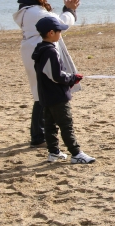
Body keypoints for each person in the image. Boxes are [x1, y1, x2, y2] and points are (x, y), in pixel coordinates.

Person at [13, 0, 80, 148]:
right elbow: (60, 23)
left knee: (40, 91)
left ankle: (38, 133)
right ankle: (38, 135)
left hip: (31, 50)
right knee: (44, 92)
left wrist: (68, 10)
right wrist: (70, 10)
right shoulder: (36, 12)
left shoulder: (25, 12)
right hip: (41, 51)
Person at [32, 16, 95, 164]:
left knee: (50, 125)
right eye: (59, 31)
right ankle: (76, 154)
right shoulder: (50, 52)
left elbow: (48, 74)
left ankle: (54, 152)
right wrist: (73, 78)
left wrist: (70, 78)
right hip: (57, 97)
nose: (61, 34)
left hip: (46, 95)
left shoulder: (40, 49)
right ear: (51, 33)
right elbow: (56, 76)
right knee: (66, 125)